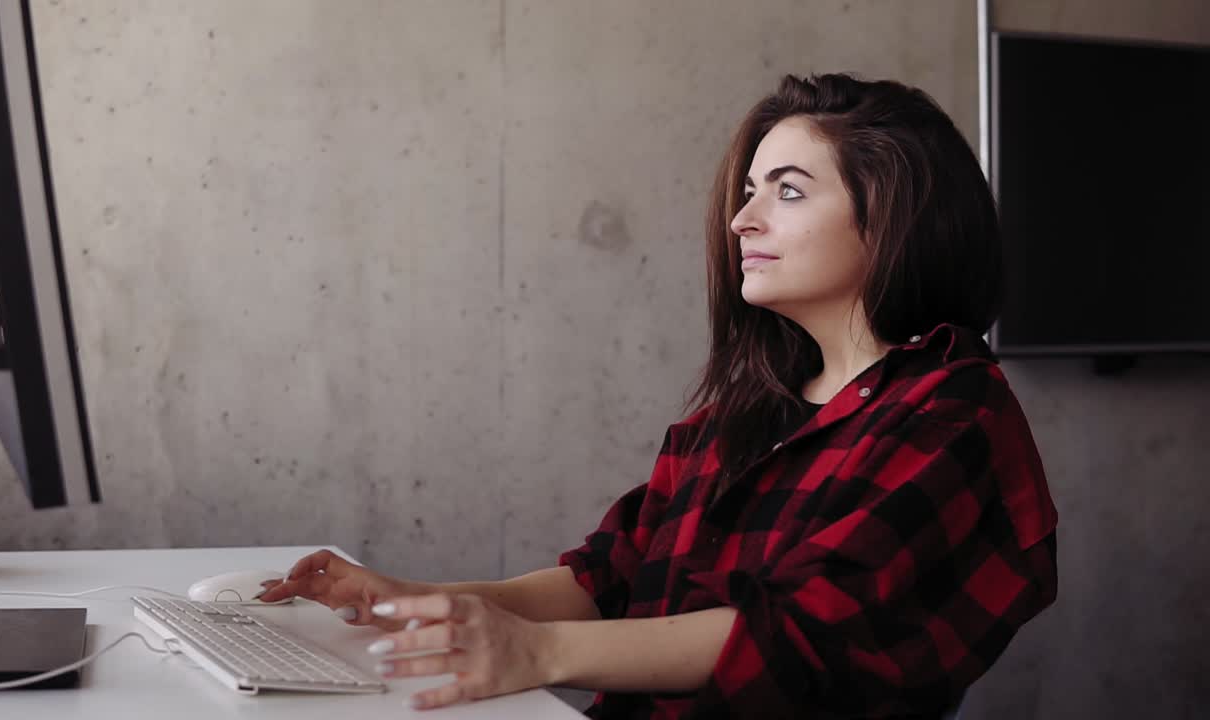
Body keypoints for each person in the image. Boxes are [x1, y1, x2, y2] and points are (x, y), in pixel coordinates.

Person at [259, 73, 1059, 719]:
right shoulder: (746, 411)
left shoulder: (953, 411)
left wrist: (533, 655)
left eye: (786, 191)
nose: (741, 219)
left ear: (893, 218)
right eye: (747, 191)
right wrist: (416, 598)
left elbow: (803, 636)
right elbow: (606, 578)